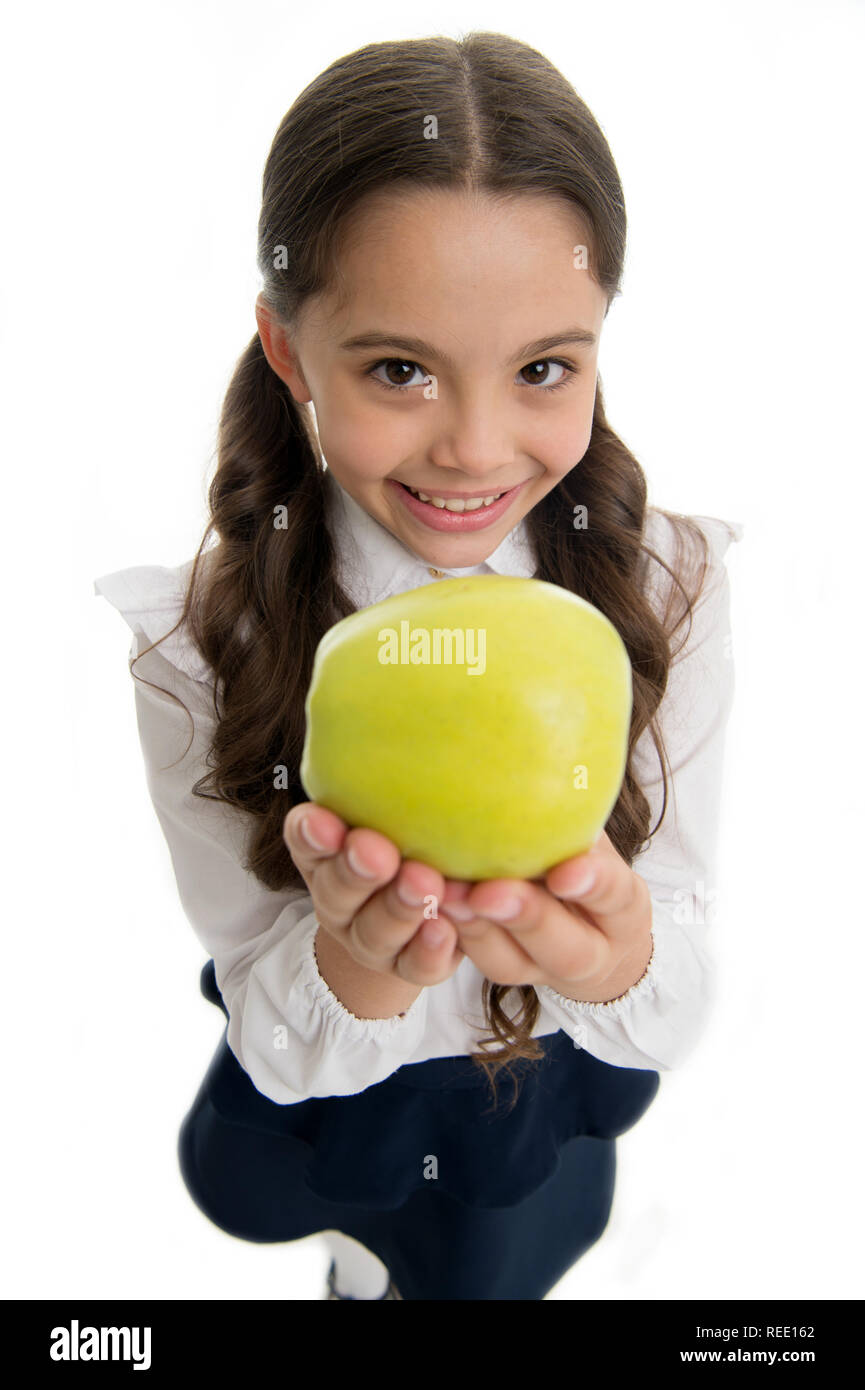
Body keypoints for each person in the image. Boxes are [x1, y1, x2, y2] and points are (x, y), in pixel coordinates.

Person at [93, 31, 743, 1301]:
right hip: (349, 1074)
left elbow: (679, 977)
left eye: (545, 367)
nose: (477, 449)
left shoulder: (669, 584)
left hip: (536, 1076)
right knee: (356, 1210)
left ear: (600, 339)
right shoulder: (198, 637)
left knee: (486, 1258)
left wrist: (609, 960)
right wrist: (366, 960)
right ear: (290, 356)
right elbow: (271, 1018)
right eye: (399, 369)